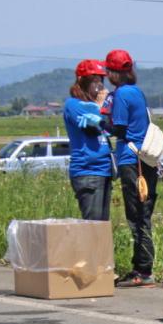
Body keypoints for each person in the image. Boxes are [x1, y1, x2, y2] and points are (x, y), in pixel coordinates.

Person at [103, 49, 157, 287]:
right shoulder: (137, 92)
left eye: (107, 70)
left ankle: (143, 270)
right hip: (145, 161)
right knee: (143, 214)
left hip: (131, 161)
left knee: (137, 215)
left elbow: (120, 129)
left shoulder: (122, 95)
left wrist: (101, 122)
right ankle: (141, 266)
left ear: (114, 73)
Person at [62, 59, 114, 221]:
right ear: (81, 81)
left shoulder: (96, 106)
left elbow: (109, 127)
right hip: (88, 171)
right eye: (94, 81)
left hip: (104, 170)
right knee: (93, 226)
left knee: (103, 226)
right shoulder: (73, 104)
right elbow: (92, 129)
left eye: (101, 81)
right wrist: (100, 107)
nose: (99, 86)